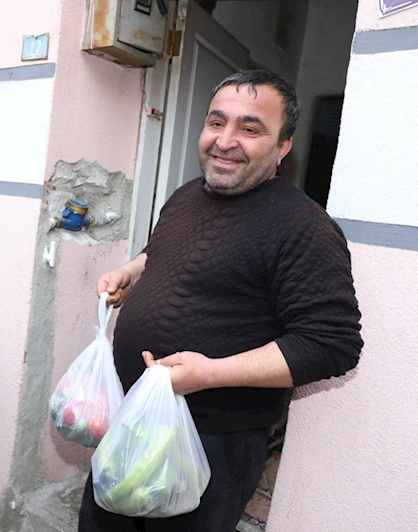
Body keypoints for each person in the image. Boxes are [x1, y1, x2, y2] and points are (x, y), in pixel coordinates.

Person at [80, 69, 363, 531]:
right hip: (135, 418)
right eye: (216, 122)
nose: (225, 140)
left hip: (211, 445)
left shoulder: (304, 228)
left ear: (283, 146)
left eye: (250, 129)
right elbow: (164, 251)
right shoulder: (187, 195)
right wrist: (131, 273)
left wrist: (210, 373)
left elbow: (332, 344)